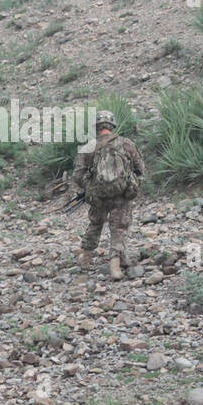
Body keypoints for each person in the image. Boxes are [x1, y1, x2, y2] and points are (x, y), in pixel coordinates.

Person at [71, 110, 145, 280]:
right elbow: (140, 169)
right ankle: (115, 265)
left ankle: (86, 258)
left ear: (96, 127)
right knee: (119, 228)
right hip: (122, 195)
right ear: (112, 125)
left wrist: (90, 186)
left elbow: (77, 174)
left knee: (95, 224)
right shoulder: (126, 143)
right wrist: (130, 184)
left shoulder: (89, 147)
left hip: (97, 196)